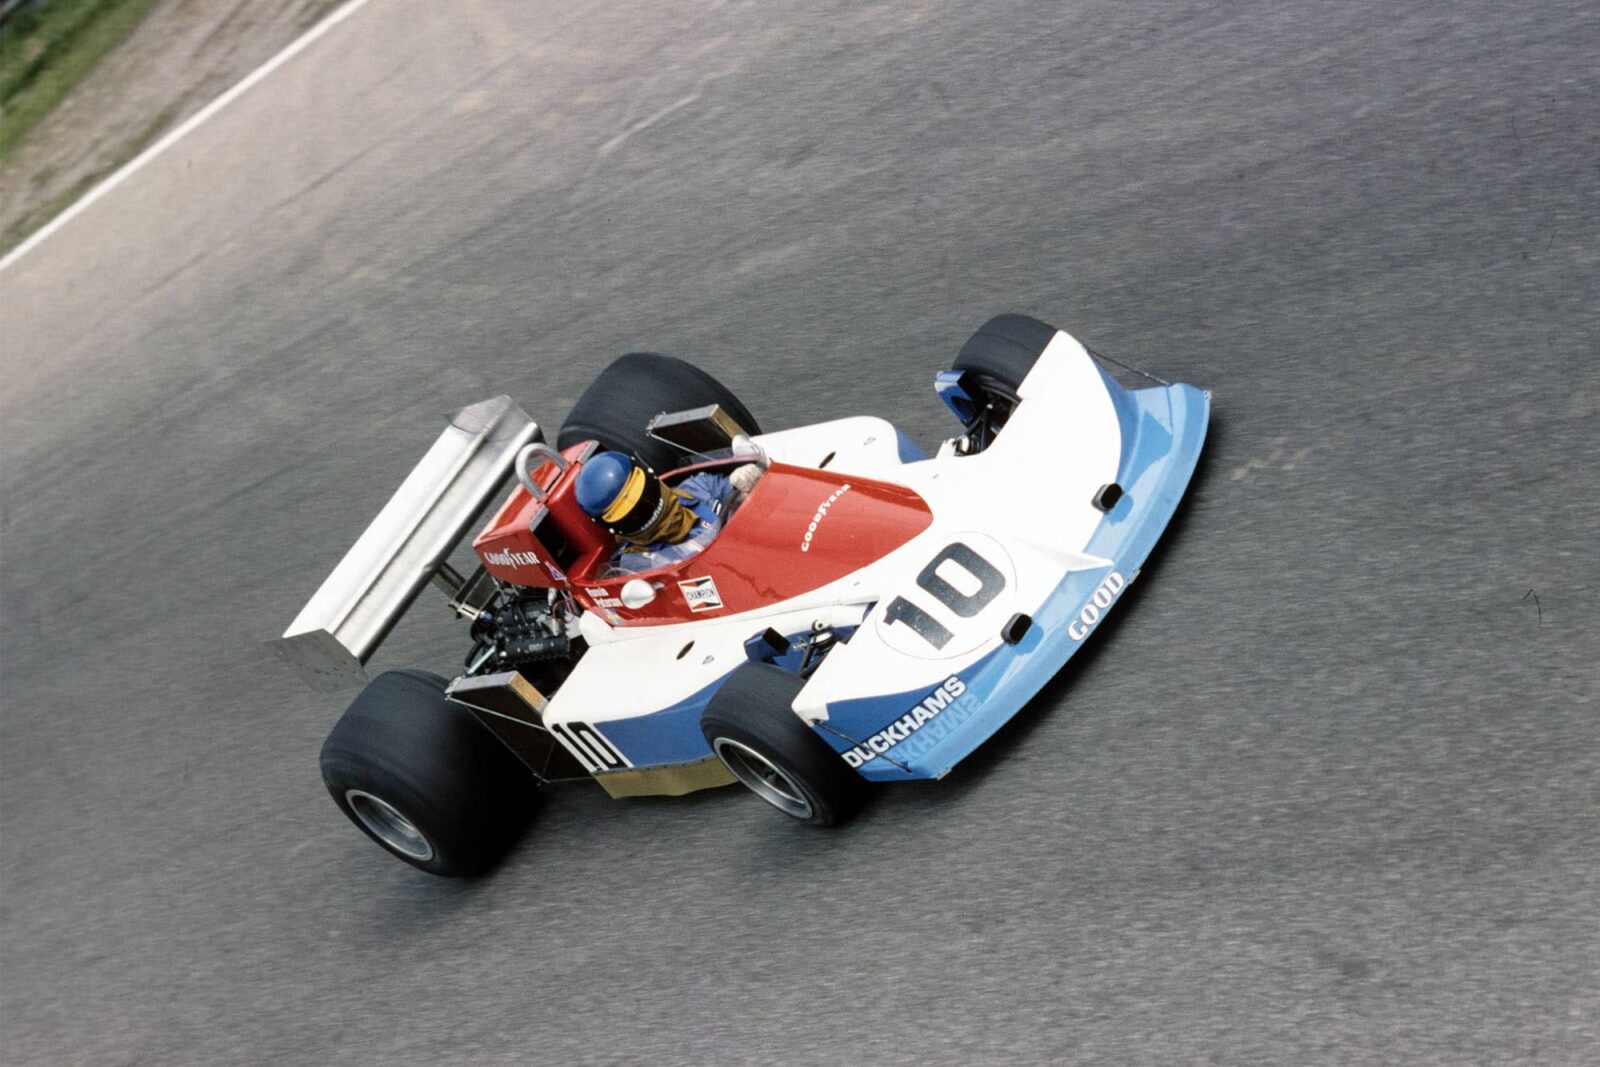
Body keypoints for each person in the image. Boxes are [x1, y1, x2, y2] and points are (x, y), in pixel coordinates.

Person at [574, 450, 760, 575]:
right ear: (614, 527)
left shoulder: (697, 487)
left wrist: (747, 477)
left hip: (759, 552)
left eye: (646, 496)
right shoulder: (635, 565)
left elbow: (738, 490)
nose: (649, 509)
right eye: (634, 513)